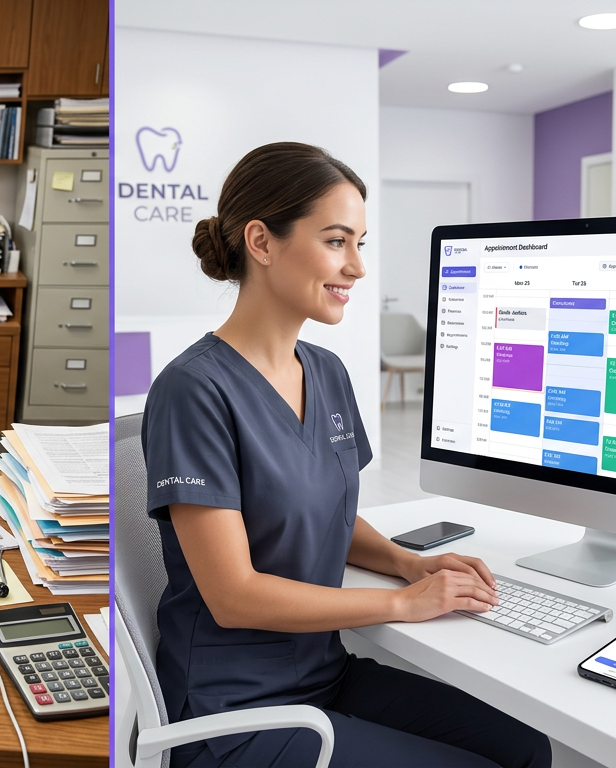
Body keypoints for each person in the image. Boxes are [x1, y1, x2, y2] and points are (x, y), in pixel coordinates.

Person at [142, 142, 552, 768]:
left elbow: (328, 509)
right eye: (337, 241)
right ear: (262, 241)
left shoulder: (325, 371)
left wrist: (406, 564)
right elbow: (233, 594)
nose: (357, 267)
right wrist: (400, 605)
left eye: (360, 242)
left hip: (323, 674)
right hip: (236, 709)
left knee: (526, 750)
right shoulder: (193, 390)